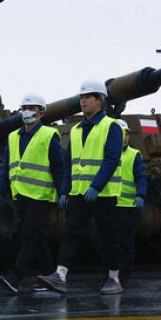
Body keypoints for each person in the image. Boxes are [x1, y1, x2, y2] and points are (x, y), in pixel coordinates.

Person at [37, 79, 124, 296]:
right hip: (78, 193)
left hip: (102, 194)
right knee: (70, 234)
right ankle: (60, 275)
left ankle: (114, 278)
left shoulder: (111, 127)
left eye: (87, 97)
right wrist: (64, 190)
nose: (82, 100)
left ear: (100, 100)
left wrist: (96, 186)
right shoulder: (75, 130)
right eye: (81, 97)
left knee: (107, 238)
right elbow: (69, 163)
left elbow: (111, 160)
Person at [0, 93, 68, 294]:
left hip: (40, 194)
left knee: (28, 235)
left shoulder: (49, 135)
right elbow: (6, 167)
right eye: (24, 108)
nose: (27, 112)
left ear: (41, 113)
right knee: (37, 237)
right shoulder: (13, 137)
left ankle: (15, 277)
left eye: (32, 108)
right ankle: (51, 277)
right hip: (21, 195)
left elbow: (59, 166)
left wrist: (62, 192)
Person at [112, 120, 147, 288]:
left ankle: (124, 274)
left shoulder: (134, 155)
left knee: (125, 243)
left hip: (127, 206)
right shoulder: (105, 153)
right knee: (110, 242)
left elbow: (141, 177)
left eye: (125, 134)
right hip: (109, 205)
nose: (123, 138)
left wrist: (140, 195)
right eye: (120, 134)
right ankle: (112, 273)